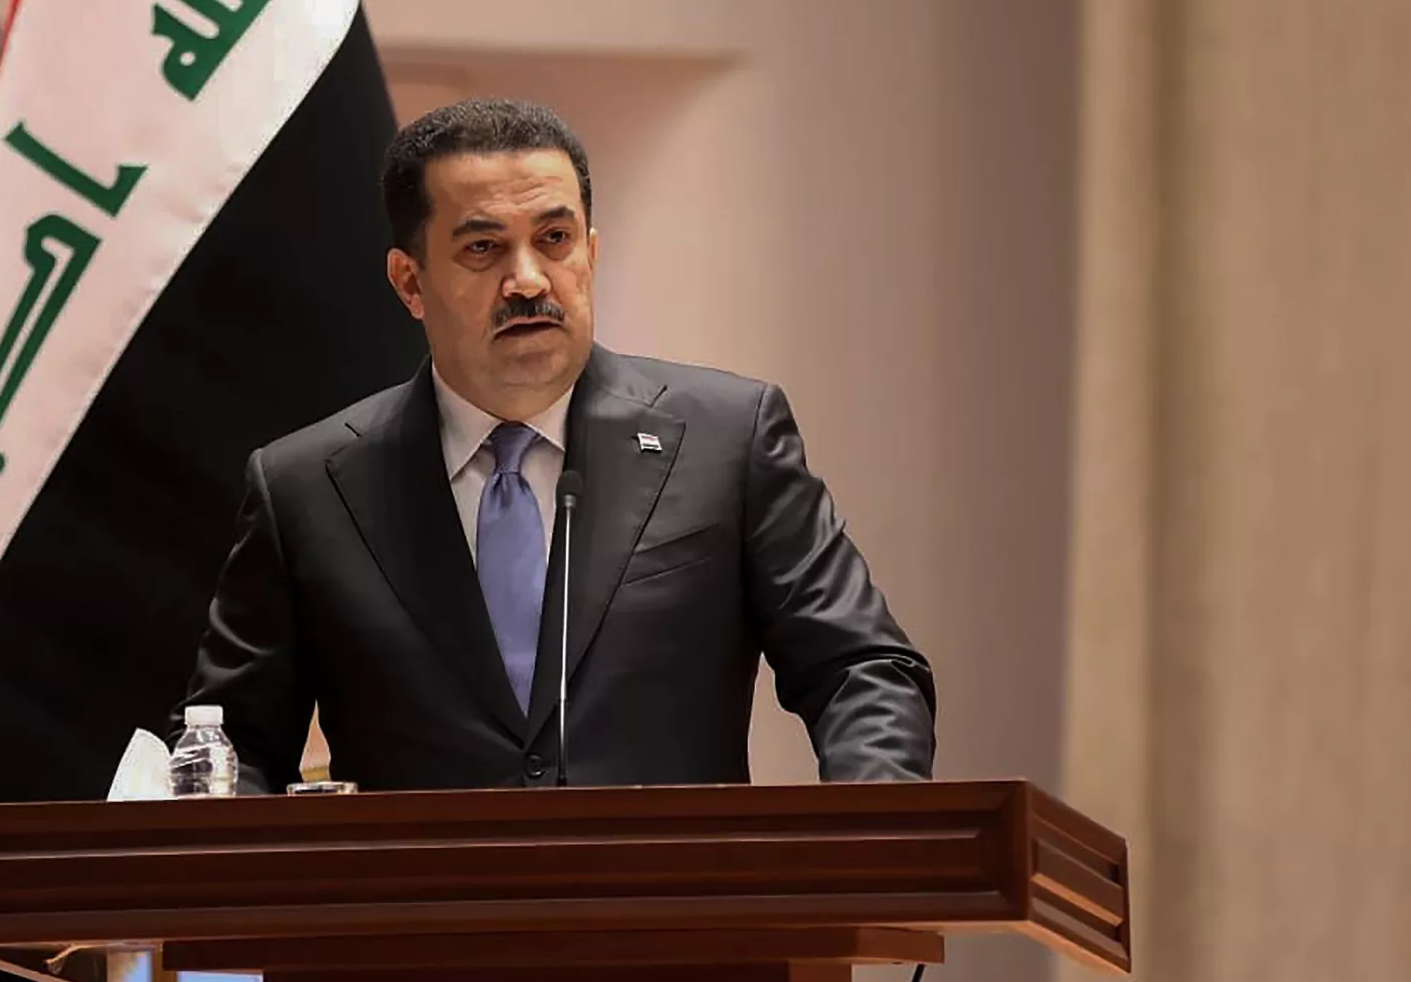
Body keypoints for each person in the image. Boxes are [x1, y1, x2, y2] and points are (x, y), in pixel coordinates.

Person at [169, 97, 936, 792]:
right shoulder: (308, 488)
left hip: (680, 900)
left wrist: (868, 835)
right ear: (409, 282)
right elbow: (232, 746)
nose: (529, 280)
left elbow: (859, 668)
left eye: (555, 239)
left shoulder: (729, 438)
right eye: (483, 248)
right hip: (416, 906)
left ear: (590, 253)